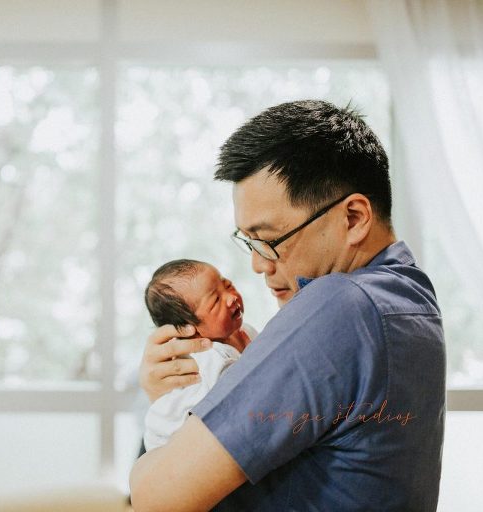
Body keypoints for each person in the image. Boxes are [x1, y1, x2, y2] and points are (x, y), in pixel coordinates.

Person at [129, 100, 446, 511]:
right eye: (249, 241)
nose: (259, 263)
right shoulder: (411, 297)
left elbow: (155, 498)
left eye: (270, 239)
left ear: (353, 217)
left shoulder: (341, 304)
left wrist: (163, 405)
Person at [142, 259, 256, 451]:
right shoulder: (209, 356)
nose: (231, 297)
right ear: (190, 329)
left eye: (227, 285)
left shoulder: (245, 331)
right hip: (168, 444)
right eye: (215, 302)